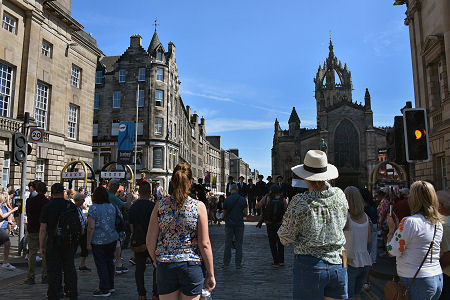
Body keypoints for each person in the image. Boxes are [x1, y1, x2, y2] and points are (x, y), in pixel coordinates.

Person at [278, 150, 348, 300]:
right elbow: (343, 222)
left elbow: (285, 237)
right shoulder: (340, 195)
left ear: (306, 177)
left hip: (310, 265)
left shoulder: (300, 202)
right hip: (338, 265)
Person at [147, 163, 216, 300]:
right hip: (190, 265)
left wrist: (157, 261)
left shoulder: (160, 205)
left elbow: (149, 241)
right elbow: (205, 244)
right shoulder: (198, 207)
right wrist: (210, 273)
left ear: (172, 182)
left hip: (166, 265)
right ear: (190, 183)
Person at [386, 181, 444, 300]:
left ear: (413, 199)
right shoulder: (438, 223)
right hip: (436, 277)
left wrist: (392, 230)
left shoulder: (409, 222)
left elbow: (392, 251)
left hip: (416, 279)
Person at [39, 183, 79, 300]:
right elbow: (78, 225)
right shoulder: (70, 206)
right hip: (69, 241)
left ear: (52, 193)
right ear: (63, 192)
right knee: (69, 268)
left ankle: (55, 294)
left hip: (53, 241)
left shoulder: (47, 206)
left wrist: (41, 246)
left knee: (53, 270)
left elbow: (43, 229)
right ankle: (72, 292)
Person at [128, 181, 158, 300]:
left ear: (139, 192)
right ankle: (155, 293)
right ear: (150, 192)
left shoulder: (133, 206)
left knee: (139, 268)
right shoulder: (153, 206)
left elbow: (131, 225)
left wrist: (134, 236)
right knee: (156, 267)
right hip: (152, 240)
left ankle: (141, 293)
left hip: (139, 240)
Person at [86, 186, 118, 297]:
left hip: (98, 240)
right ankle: (111, 285)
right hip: (112, 238)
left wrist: (88, 242)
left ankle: (104, 288)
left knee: (101, 264)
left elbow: (91, 227)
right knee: (110, 262)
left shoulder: (93, 208)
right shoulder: (112, 206)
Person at [343, 186, 372, 300]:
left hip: (349, 260)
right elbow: (369, 240)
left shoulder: (346, 218)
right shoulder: (366, 217)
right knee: (357, 294)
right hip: (365, 260)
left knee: (348, 295)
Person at [256, 185, 287, 267]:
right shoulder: (282, 199)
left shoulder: (267, 198)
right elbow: (286, 210)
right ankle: (281, 261)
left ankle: (276, 261)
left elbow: (257, 206)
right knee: (280, 242)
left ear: (270, 191)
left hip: (269, 223)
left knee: (272, 243)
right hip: (280, 223)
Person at [25, 181, 49, 284]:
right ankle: (45, 275)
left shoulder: (29, 201)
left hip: (32, 228)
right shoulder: (47, 202)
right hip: (44, 229)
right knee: (44, 253)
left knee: (32, 253)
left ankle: (31, 276)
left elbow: (28, 213)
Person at [107, 179, 131, 274]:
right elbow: (127, 206)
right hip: (115, 223)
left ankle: (114, 262)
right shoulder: (112, 197)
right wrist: (129, 197)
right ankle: (118, 263)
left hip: (108, 223)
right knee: (118, 243)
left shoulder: (110, 196)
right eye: (116, 185)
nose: (117, 188)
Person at [223, 184, 248, 268]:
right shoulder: (242, 199)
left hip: (229, 224)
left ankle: (226, 263)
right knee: (239, 244)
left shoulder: (227, 199)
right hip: (239, 224)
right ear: (237, 190)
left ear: (231, 190)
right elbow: (246, 213)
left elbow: (224, 213)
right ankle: (238, 264)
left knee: (227, 244)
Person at [437, 190, 450, 300]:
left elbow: (448, 255)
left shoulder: (444, 225)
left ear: (440, 206)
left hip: (446, 274)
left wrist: (437, 267)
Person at [0, 190, 18, 270]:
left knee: (7, 244)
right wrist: (13, 210)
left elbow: (6, 216)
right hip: (1, 228)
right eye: (6, 197)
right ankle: (5, 262)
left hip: (3, 228)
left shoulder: (3, 205)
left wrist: (9, 221)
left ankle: (5, 262)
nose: (7, 198)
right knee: (7, 243)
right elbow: (2, 216)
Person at [73, 193, 90, 272]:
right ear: (77, 200)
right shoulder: (73, 208)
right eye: (82, 199)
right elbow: (77, 220)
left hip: (83, 231)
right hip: (77, 232)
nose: (83, 201)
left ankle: (82, 264)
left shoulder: (79, 208)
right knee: (74, 249)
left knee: (84, 248)